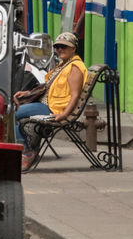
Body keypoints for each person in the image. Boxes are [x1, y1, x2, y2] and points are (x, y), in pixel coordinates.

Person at [14, 31, 86, 171]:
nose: (60, 49)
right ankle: (21, 148)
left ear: (73, 48)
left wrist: (64, 115)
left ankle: (26, 151)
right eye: (58, 47)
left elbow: (75, 95)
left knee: (12, 114)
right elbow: (47, 88)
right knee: (10, 109)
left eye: (64, 47)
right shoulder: (64, 65)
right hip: (46, 104)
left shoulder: (75, 67)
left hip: (53, 108)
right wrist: (29, 93)